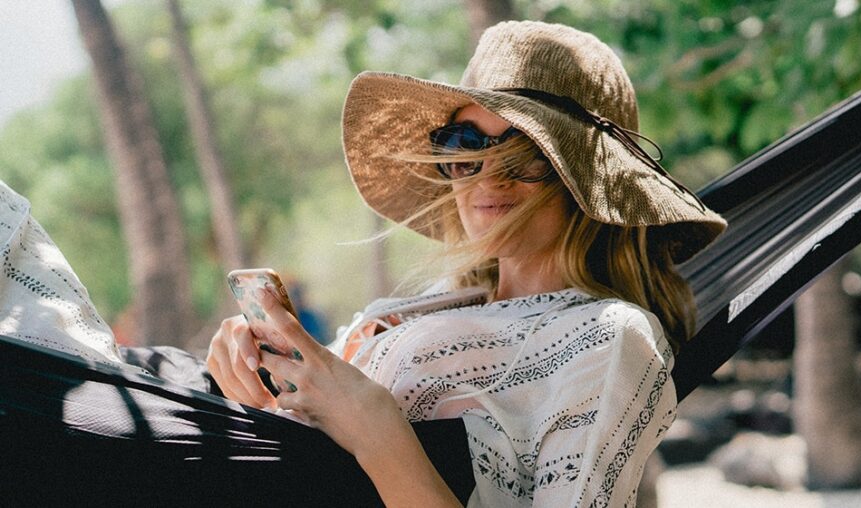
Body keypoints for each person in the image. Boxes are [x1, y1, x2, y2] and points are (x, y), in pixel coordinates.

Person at [206, 20, 726, 507]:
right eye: (465, 145)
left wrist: (375, 428)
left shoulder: (610, 339)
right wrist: (257, 371)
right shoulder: (441, 298)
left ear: (588, 181)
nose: (487, 177)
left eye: (525, 155)